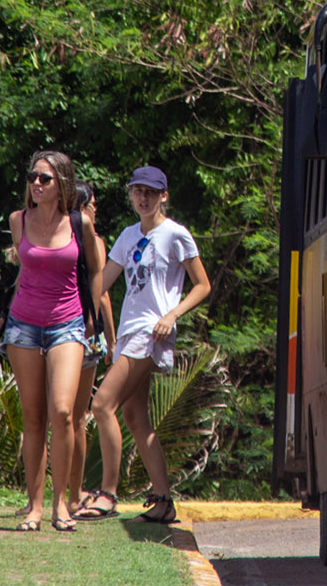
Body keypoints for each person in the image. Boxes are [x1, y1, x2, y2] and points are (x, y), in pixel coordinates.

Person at [84, 166, 211, 525]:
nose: (143, 198)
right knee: (135, 417)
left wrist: (172, 315)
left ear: (163, 196)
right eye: (137, 191)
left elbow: (202, 285)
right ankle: (163, 501)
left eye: (151, 193)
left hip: (150, 332)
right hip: (128, 330)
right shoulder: (127, 235)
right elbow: (102, 284)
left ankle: (107, 494)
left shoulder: (176, 235)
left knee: (102, 404)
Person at [0, 150, 106, 532]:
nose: (36, 184)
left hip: (68, 324)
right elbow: (23, 273)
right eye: (32, 177)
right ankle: (35, 506)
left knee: (63, 412)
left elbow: (96, 270)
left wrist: (92, 317)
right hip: (24, 325)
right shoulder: (18, 221)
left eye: (44, 178)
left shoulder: (81, 224)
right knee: (34, 419)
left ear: (62, 183)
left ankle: (62, 503)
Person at [61, 183, 115, 520]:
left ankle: (44, 493)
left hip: (54, 328)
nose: (96, 210)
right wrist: (111, 338)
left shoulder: (53, 233)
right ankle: (75, 491)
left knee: (51, 417)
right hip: (86, 331)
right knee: (77, 417)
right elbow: (104, 295)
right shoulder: (93, 240)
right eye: (93, 204)